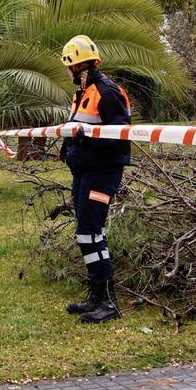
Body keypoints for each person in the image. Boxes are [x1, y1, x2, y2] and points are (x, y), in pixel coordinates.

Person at [59, 35, 132, 323]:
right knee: (85, 233)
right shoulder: (82, 93)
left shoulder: (107, 92)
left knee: (91, 232)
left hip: (102, 173)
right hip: (83, 171)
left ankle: (108, 302)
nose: (68, 71)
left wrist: (84, 143)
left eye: (69, 66)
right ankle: (96, 295)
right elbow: (78, 127)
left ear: (77, 65)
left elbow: (120, 137)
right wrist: (69, 148)